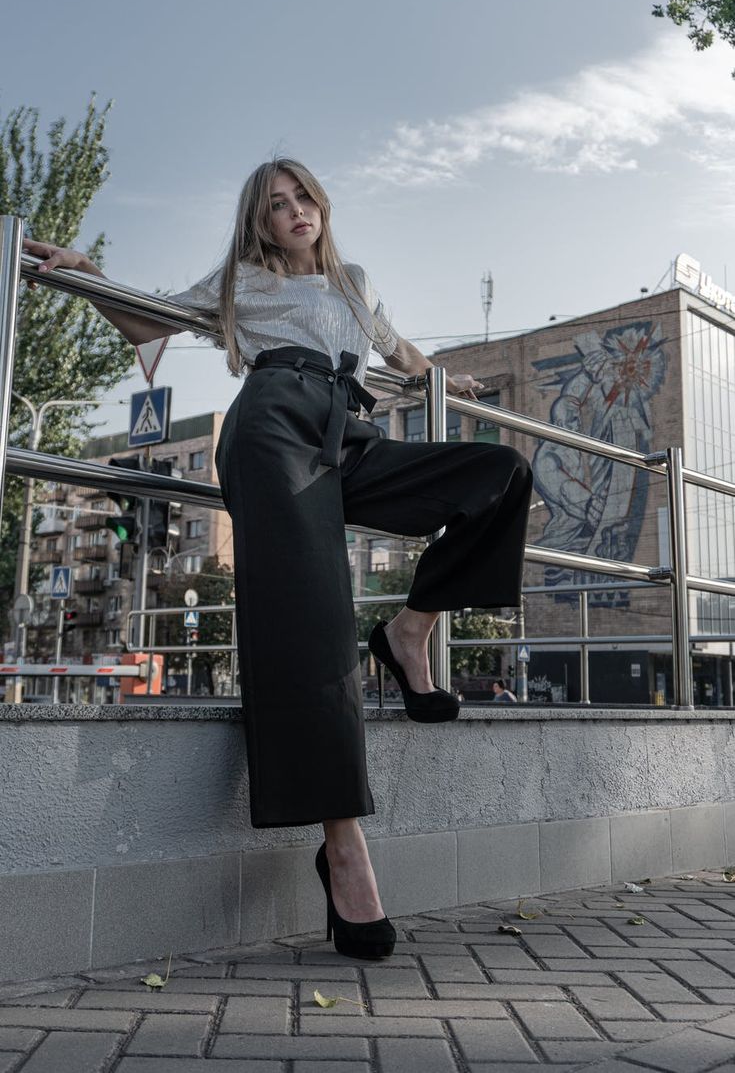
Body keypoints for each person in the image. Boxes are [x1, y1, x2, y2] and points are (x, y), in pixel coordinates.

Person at [24, 156, 532, 960]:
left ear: (321, 205)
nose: (294, 211)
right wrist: (88, 273)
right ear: (257, 223)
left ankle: (408, 632)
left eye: (302, 197)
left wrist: (448, 378)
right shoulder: (239, 282)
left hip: (349, 433)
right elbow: (148, 320)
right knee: (315, 621)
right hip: (271, 429)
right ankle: (344, 846)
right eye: (275, 205)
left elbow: (403, 355)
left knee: (498, 475)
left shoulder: (354, 281)